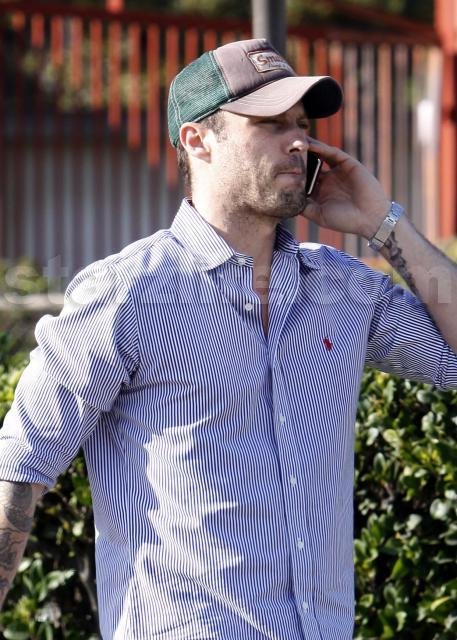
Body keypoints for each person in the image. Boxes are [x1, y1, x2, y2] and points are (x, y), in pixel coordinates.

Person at [0, 37, 456, 640]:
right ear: (197, 139)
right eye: (270, 123)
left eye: (302, 123)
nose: (299, 141)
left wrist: (382, 222)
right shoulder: (127, 293)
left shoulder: (342, 290)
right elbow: (20, 465)